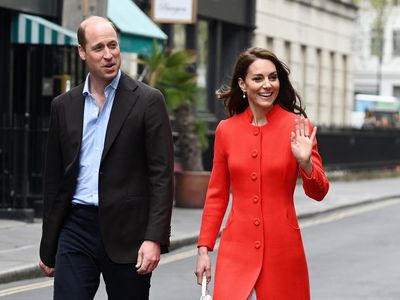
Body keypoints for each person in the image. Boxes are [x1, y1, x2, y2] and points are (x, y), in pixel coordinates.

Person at [38, 16, 174, 300]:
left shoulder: (148, 101)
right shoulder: (63, 106)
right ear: (82, 52)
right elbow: (54, 181)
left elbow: (161, 176)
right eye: (99, 47)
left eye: (113, 45)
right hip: (76, 226)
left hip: (129, 232)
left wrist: (154, 238)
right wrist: (48, 245)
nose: (109, 54)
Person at [195, 47, 330, 300]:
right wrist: (204, 248)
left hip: (283, 249)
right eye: (258, 78)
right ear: (242, 84)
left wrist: (306, 163)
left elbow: (319, 192)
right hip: (236, 249)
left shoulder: (299, 127)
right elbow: (217, 195)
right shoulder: (226, 131)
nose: (267, 85)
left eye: (273, 77)